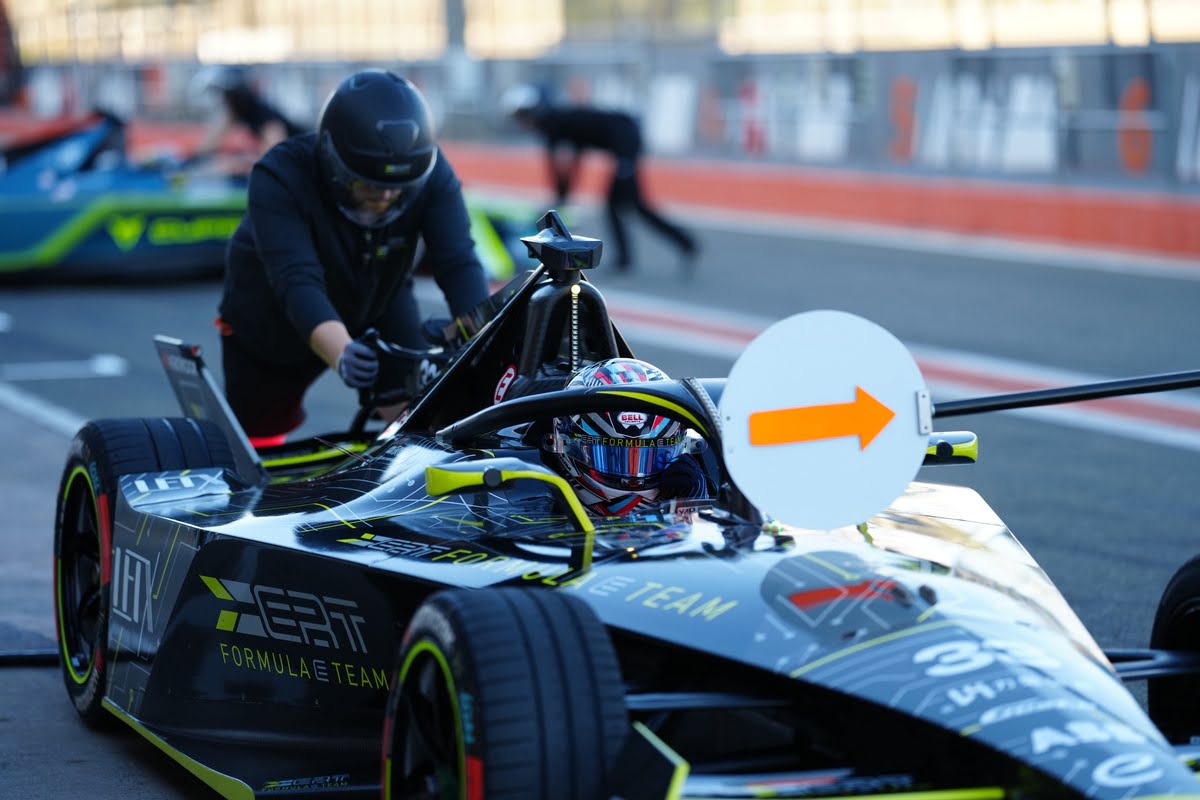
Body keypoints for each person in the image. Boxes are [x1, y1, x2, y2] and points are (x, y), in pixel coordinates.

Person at [216, 69, 489, 446]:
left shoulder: (431, 171)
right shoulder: (279, 174)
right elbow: (296, 280)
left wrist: (483, 337)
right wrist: (342, 352)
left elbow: (458, 261)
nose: (385, 198)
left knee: (418, 417)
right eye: (369, 184)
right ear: (332, 160)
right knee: (260, 437)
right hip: (273, 317)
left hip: (379, 292)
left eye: (398, 189)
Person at [501, 84, 699, 275]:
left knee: (631, 205)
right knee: (621, 206)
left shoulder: (553, 124)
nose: (522, 122)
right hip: (624, 143)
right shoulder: (559, 121)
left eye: (522, 116)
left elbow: (561, 166)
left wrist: (562, 195)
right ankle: (659, 251)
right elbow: (574, 160)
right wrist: (563, 194)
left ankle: (680, 245)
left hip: (625, 141)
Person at [545, 358, 711, 516]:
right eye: (611, 457)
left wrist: (693, 507)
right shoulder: (534, 499)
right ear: (563, 443)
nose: (634, 480)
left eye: (653, 457)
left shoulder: (691, 484)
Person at [191, 65, 305, 166]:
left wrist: (237, 162)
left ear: (237, 95)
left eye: (226, 95)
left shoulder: (265, 116)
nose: (223, 100)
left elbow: (275, 155)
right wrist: (194, 159)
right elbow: (209, 145)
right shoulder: (237, 112)